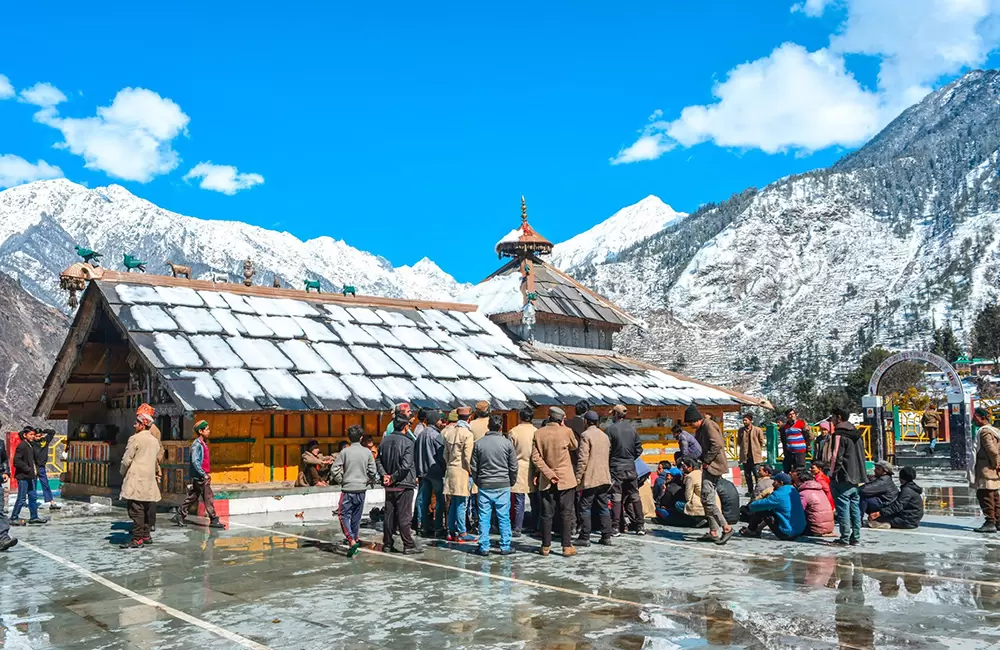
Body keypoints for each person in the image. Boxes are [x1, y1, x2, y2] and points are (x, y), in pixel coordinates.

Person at [530, 406, 578, 557]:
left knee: (546, 514)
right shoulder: (566, 431)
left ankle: (545, 546)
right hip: (566, 479)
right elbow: (574, 445)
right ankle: (566, 546)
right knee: (566, 513)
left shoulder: (538, 433)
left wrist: (549, 474)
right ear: (561, 419)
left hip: (547, 480)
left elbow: (535, 458)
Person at [470, 414, 518, 556]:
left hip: (485, 484)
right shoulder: (507, 443)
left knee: (484, 516)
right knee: (503, 516)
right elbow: (513, 466)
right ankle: (505, 545)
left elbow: (474, 466)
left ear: (488, 426)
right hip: (503, 484)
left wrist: (478, 481)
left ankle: (484, 546)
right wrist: (511, 481)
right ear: (500, 427)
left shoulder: (479, 443)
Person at [686, 405, 733, 544]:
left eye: (690, 423)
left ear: (696, 420)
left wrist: (707, 461)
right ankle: (713, 531)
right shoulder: (703, 427)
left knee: (707, 499)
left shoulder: (708, 426)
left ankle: (726, 527)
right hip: (710, 466)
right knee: (707, 499)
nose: (690, 426)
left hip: (714, 466)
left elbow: (717, 444)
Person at [331, 424, 380, 556]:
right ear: (361, 437)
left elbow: (334, 469)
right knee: (356, 517)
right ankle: (355, 538)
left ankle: (351, 540)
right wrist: (366, 479)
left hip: (348, 489)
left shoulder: (345, 452)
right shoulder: (367, 452)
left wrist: (342, 479)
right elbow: (373, 471)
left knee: (343, 515)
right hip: (361, 490)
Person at [377, 414, 420, 554]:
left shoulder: (384, 441)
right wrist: (393, 477)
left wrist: (385, 476)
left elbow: (378, 461)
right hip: (404, 482)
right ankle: (408, 544)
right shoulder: (408, 442)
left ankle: (387, 543)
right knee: (404, 515)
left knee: (389, 515)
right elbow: (406, 465)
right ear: (406, 426)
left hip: (390, 484)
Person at [119, 405, 162, 548]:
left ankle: (137, 538)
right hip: (149, 478)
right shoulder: (155, 441)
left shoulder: (135, 439)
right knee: (147, 508)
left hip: (136, 478)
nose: (134, 425)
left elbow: (126, 460)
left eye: (137, 422)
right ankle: (146, 535)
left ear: (142, 425)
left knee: (135, 510)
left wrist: (122, 472)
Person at [175, 420, 224, 529]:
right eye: (207, 429)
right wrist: (203, 474)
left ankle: (180, 513)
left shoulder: (203, 443)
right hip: (201, 477)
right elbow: (195, 461)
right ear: (200, 431)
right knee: (208, 497)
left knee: (193, 497)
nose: (209, 431)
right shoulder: (197, 445)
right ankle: (214, 519)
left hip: (202, 475)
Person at [829, 408, 866, 546]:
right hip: (857, 476)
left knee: (843, 507)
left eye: (833, 417)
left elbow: (835, 457)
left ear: (838, 418)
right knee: (854, 506)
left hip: (843, 476)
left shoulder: (839, 434)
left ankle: (844, 537)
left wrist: (832, 474)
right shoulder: (856, 433)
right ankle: (855, 536)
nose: (832, 420)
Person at [575, 410, 613, 546]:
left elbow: (582, 459)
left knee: (584, 507)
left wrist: (578, 477)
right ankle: (606, 535)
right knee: (603, 506)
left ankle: (585, 536)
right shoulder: (604, 436)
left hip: (591, 477)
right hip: (604, 477)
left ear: (585, 422)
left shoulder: (586, 435)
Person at [607, 405, 644, 536]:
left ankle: (616, 527)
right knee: (635, 496)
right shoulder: (632, 429)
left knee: (616, 497)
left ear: (616, 415)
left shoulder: (610, 429)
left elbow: (608, 450)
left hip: (616, 468)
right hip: (631, 467)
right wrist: (631, 458)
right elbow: (639, 448)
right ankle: (640, 526)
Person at [443, 408, 476, 543]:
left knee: (453, 503)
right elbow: (468, 457)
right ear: (469, 418)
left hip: (450, 470)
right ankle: (462, 532)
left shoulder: (449, 433)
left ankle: (451, 531)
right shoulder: (467, 434)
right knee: (462, 503)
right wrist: (472, 472)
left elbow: (445, 454)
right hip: (462, 471)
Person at [740, 472, 806, 540]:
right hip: (799, 531)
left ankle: (751, 531)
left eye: (775, 481)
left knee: (762, 509)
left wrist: (749, 507)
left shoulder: (778, 495)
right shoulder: (794, 491)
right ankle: (757, 529)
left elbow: (760, 505)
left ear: (781, 483)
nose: (773, 483)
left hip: (787, 533)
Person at [414, 409, 446, 537]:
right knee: (439, 500)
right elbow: (441, 454)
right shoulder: (436, 435)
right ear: (435, 421)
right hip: (435, 471)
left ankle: (422, 524)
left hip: (423, 471)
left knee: (423, 499)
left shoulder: (421, 434)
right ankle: (438, 526)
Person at [507, 407, 537, 537]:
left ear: (520, 417)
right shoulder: (536, 432)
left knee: (519, 500)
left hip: (518, 467)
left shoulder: (513, 431)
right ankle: (535, 525)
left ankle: (517, 527)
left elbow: (509, 452)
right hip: (533, 466)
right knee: (534, 499)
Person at [971, 406, 1000, 533]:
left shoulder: (985, 432)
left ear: (982, 418)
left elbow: (992, 450)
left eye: (975, 416)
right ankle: (998, 521)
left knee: (985, 495)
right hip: (992, 469)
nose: (973, 419)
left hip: (986, 469)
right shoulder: (995, 430)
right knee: (995, 496)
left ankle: (990, 522)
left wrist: (996, 463)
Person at [10, 428, 46, 526]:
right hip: (23, 476)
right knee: (21, 498)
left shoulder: (30, 445)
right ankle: (14, 517)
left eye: (33, 435)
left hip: (31, 476)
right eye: (30, 434)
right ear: (25, 435)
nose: (32, 436)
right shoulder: (22, 446)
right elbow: (17, 461)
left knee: (33, 496)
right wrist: (28, 469)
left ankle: (34, 517)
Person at [676, 456, 719, 527]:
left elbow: (688, 496)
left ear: (690, 467)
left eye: (684, 466)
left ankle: (699, 519)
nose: (682, 469)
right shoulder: (704, 473)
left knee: (678, 504)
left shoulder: (690, 476)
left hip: (702, 504)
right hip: (714, 502)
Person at [794, 469, 835, 536]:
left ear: (801, 482)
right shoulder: (820, 490)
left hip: (815, 529)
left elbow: (799, 511)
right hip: (829, 528)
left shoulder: (804, 493)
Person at [31, 428, 61, 510]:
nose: (38, 438)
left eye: (39, 436)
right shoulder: (31, 442)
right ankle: (33, 502)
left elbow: (52, 432)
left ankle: (51, 502)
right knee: (33, 485)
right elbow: (21, 435)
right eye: (36, 436)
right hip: (33, 466)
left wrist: (44, 431)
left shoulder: (45, 440)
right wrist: (31, 432)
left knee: (45, 484)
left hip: (41, 466)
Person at [737, 415, 766, 497]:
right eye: (743, 420)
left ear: (750, 420)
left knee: (757, 475)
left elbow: (761, 441)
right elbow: (739, 442)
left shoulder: (757, 430)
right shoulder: (741, 430)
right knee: (747, 475)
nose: (744, 422)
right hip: (745, 457)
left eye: (746, 420)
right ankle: (750, 491)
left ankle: (758, 491)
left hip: (755, 457)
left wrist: (756, 449)